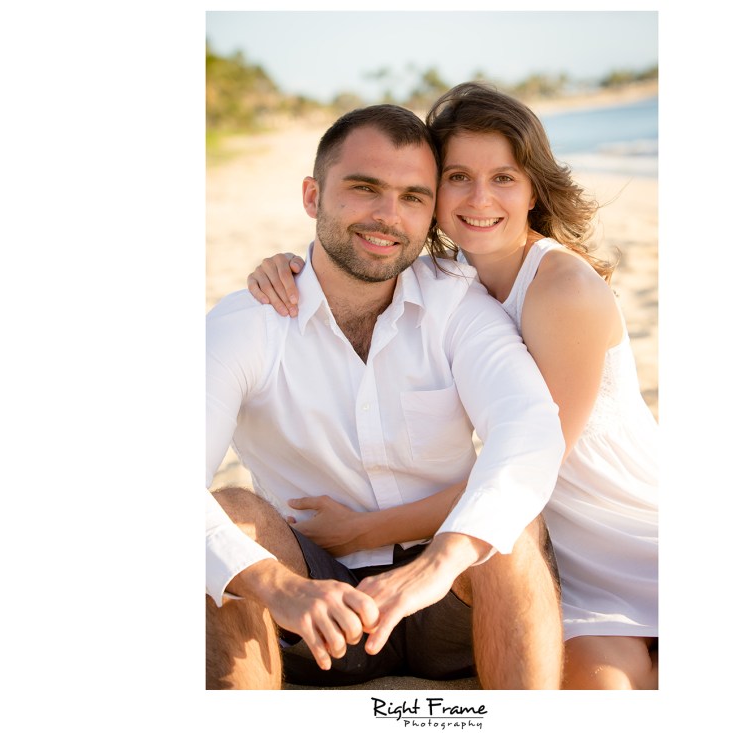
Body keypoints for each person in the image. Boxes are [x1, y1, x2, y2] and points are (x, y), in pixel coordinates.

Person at [247, 82, 659, 690]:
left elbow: (534, 464)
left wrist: (365, 530)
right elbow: (356, 260)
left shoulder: (561, 288)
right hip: (544, 552)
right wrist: (286, 268)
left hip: (622, 529)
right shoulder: (447, 276)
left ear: (534, 189)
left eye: (504, 178)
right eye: (458, 177)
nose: (479, 198)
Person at [206, 103, 568, 690]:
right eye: (364, 188)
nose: (387, 216)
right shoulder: (248, 323)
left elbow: (529, 429)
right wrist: (279, 586)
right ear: (312, 196)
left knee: (509, 525)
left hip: (450, 595)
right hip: (312, 608)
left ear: (431, 212)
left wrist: (443, 559)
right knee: (231, 516)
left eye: (413, 197)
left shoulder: (456, 303)